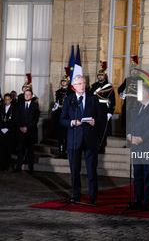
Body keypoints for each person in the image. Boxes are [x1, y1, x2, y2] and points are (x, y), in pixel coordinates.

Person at [60, 75, 104, 205]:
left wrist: (95, 121)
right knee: (75, 170)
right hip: (74, 138)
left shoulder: (93, 99)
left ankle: (93, 197)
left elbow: (102, 118)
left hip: (90, 138)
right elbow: (62, 119)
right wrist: (72, 122)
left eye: (84, 83)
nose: (82, 86)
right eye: (79, 84)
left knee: (91, 170)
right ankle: (76, 195)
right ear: (74, 86)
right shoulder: (69, 99)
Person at [127, 83, 149, 211]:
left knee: (147, 175)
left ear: (146, 94)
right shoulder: (138, 107)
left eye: (139, 92)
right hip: (136, 147)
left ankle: (147, 202)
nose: (136, 95)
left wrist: (141, 138)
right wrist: (130, 136)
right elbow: (131, 123)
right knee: (137, 175)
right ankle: (137, 200)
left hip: (148, 146)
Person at [90, 61, 116, 154]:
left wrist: (110, 112)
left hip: (104, 108)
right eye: (99, 75)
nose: (100, 77)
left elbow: (112, 101)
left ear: (105, 76)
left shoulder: (109, 87)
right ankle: (95, 146)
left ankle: (102, 146)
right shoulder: (94, 86)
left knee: (103, 129)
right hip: (95, 108)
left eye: (102, 75)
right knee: (95, 128)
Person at [14, 89, 40, 174]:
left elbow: (35, 119)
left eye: (29, 94)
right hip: (21, 131)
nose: (27, 96)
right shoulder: (20, 105)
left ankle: (31, 168)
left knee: (31, 151)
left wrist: (27, 127)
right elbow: (17, 117)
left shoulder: (35, 106)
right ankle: (18, 167)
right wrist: (21, 127)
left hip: (30, 132)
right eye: (25, 94)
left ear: (32, 96)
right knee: (20, 150)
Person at [52, 67, 74, 159]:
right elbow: (57, 101)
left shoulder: (71, 92)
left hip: (67, 114)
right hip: (59, 112)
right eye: (62, 81)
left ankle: (66, 152)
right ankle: (61, 152)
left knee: (66, 134)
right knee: (59, 134)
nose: (63, 82)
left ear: (68, 82)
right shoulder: (58, 92)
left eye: (65, 81)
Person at [118, 56, 143, 127]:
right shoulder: (127, 79)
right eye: (132, 71)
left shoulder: (140, 80)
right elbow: (120, 88)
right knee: (127, 117)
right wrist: (121, 94)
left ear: (138, 71)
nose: (133, 72)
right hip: (128, 100)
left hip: (136, 101)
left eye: (135, 71)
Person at [0, 94, 16, 171]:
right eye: (5, 99)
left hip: (9, 132)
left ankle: (6, 165)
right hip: (1, 131)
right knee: (1, 149)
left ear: (11, 100)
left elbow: (14, 120)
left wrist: (8, 128)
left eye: (8, 99)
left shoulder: (14, 109)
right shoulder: (0, 108)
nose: (6, 101)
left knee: (8, 150)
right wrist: (1, 128)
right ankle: (2, 165)